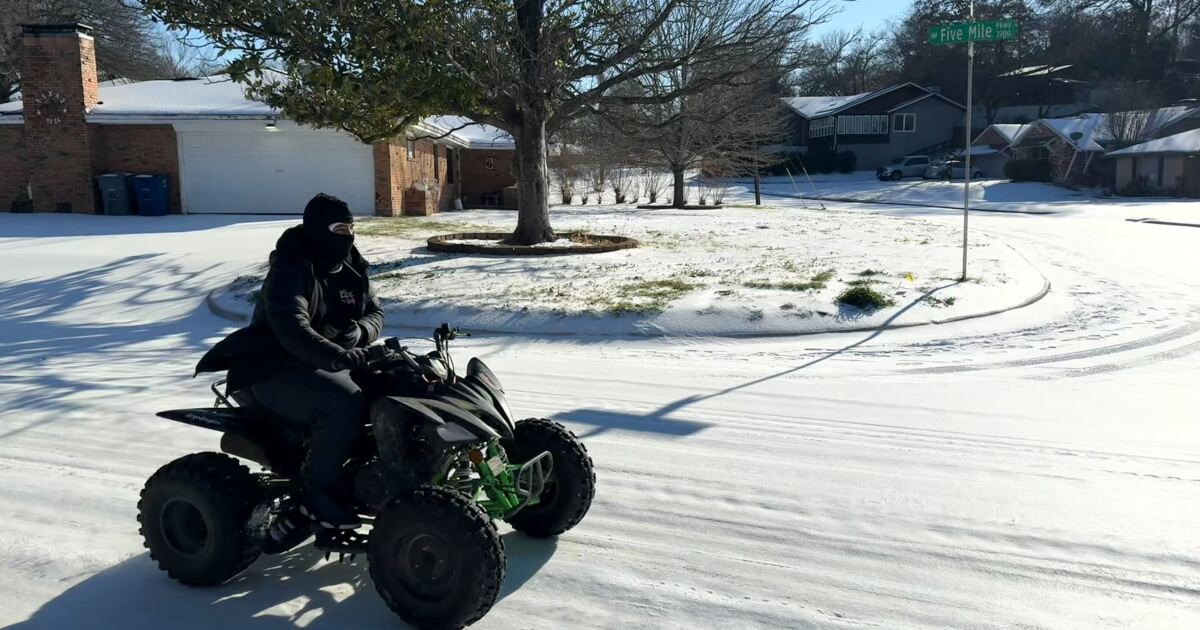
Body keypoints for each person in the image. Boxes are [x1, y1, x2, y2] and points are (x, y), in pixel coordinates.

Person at [197, 193, 383, 529]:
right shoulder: (291, 266)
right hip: (273, 366)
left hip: (331, 360)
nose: (348, 236)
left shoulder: (353, 267)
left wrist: (360, 332)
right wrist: (336, 356)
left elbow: (375, 312)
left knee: (396, 383)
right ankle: (317, 493)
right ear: (316, 229)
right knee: (343, 403)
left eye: (351, 228)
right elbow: (291, 328)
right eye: (339, 229)